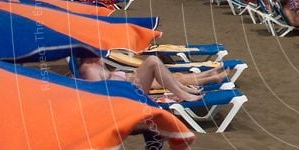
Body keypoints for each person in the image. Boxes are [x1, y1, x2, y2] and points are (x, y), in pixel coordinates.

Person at [77, 55, 230, 102]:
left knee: (175, 76)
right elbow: (99, 97)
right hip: (129, 94)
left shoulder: (95, 61)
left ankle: (209, 76)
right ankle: (187, 90)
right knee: (153, 61)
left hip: (131, 83)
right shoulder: (88, 69)